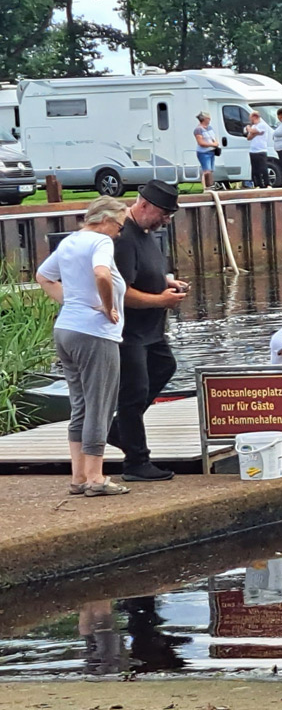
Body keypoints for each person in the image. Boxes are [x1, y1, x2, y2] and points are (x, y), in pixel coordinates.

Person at [34, 196, 130, 496]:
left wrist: (74, 303)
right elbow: (102, 274)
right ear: (105, 220)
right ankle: (95, 477)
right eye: (119, 226)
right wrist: (106, 306)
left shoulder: (69, 242)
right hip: (95, 334)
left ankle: (78, 477)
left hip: (66, 329)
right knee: (99, 405)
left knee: (80, 405)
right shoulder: (101, 243)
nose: (119, 232)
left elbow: (44, 276)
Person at [108, 181, 189, 483]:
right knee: (134, 392)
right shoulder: (123, 238)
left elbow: (146, 273)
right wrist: (161, 299)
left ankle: (119, 430)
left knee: (165, 366)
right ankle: (136, 462)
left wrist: (167, 283)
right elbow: (121, 293)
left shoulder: (145, 233)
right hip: (129, 333)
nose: (166, 221)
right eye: (164, 214)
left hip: (152, 330)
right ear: (144, 206)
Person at [193, 113, 222, 191]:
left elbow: (213, 137)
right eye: (208, 118)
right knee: (206, 170)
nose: (209, 120)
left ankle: (210, 185)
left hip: (211, 151)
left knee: (211, 170)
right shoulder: (198, 130)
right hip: (203, 152)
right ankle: (205, 187)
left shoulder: (210, 128)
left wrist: (216, 143)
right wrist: (212, 144)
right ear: (204, 119)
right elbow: (201, 142)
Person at [245, 110, 272, 188]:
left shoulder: (262, 125)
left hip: (261, 150)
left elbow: (252, 131)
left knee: (263, 168)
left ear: (255, 117)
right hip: (253, 150)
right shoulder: (254, 126)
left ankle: (267, 184)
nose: (250, 120)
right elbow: (249, 137)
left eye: (251, 118)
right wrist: (254, 133)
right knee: (255, 169)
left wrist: (249, 128)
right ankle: (258, 184)